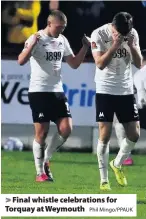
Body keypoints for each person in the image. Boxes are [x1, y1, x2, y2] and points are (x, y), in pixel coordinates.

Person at [18, 10, 90, 182]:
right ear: (49, 24)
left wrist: (85, 47)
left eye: (63, 28)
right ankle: (39, 173)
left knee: (66, 129)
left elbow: (73, 64)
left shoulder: (62, 40)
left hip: (57, 90)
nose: (61, 31)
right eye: (59, 27)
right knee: (41, 134)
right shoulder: (37, 38)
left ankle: (46, 159)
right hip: (39, 91)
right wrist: (32, 45)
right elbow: (21, 60)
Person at [90, 12, 142, 191]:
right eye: (120, 32)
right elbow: (100, 64)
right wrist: (115, 45)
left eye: (126, 33)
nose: (123, 35)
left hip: (126, 89)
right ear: (113, 27)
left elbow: (139, 63)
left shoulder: (132, 34)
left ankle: (117, 163)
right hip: (105, 89)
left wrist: (132, 46)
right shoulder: (99, 34)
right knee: (105, 134)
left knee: (134, 134)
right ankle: (104, 180)